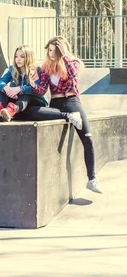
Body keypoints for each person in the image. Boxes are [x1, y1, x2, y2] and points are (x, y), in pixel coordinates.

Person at [28, 36, 102, 193]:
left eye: (55, 51)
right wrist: (33, 82)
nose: (51, 54)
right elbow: (41, 91)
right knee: (34, 112)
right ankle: (67, 116)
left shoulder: (72, 63)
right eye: (49, 51)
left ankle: (92, 179)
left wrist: (66, 55)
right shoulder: (45, 68)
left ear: (62, 50)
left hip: (72, 102)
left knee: (88, 138)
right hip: (56, 105)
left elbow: (73, 73)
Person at [0, 45, 50, 122]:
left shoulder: (37, 71)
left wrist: (20, 89)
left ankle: (11, 110)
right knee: (2, 90)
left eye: (22, 56)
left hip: (36, 101)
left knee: (26, 93)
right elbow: (0, 82)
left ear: (29, 58)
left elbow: (36, 89)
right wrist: (7, 89)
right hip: (19, 102)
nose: (18, 59)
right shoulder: (12, 69)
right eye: (16, 56)